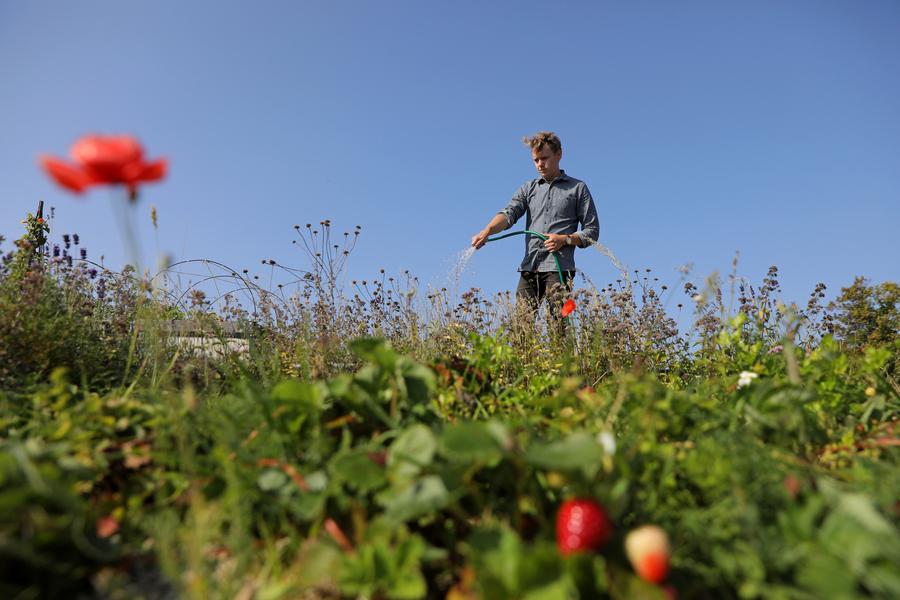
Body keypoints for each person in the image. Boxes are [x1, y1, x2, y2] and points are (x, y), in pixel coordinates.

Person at [471, 132, 599, 322]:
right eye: (536, 160)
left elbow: (592, 231)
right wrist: (487, 231)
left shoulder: (577, 188)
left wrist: (565, 239)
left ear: (559, 155)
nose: (540, 164)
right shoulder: (528, 188)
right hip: (530, 267)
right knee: (521, 327)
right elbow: (509, 214)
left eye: (545, 158)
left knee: (559, 327)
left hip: (560, 270)